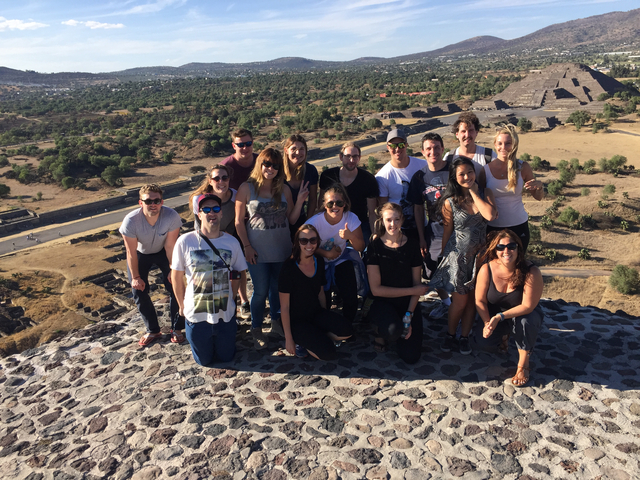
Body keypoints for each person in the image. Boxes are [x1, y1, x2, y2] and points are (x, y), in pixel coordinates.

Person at [235, 148, 305, 350]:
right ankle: (256, 327)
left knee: (277, 289)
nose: (271, 168)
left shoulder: (283, 189)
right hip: (256, 250)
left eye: (275, 165)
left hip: (281, 249)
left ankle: (276, 323)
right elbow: (239, 222)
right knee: (260, 291)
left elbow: (291, 219)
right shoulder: (246, 188)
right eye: (267, 164)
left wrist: (300, 201)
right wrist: (246, 246)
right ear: (260, 165)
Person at [430, 157, 497, 355]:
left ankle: (464, 337)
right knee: (459, 302)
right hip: (458, 258)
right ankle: (450, 334)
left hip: (480, 258)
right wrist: (444, 258)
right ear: (454, 177)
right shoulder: (449, 202)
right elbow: (447, 233)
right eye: (461, 174)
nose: (466, 176)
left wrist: (474, 193)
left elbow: (490, 216)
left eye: (470, 172)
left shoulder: (486, 194)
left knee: (472, 302)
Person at [171, 194, 248, 366]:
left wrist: (237, 300)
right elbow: (176, 276)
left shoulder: (232, 242)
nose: (211, 213)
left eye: (216, 209)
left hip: (224, 316)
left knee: (227, 357)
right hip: (197, 317)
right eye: (206, 209)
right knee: (204, 361)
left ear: (221, 214)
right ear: (199, 214)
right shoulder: (185, 241)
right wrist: (181, 306)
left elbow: (239, 273)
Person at [475, 229, 544, 387]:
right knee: (483, 342)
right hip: (496, 315)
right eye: (500, 247)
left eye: (511, 246)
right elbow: (480, 300)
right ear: (495, 249)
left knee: (525, 323)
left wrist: (500, 317)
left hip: (524, 314)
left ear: (518, 248)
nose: (506, 251)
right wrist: (487, 323)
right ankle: (505, 335)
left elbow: (527, 306)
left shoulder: (531, 272)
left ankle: (523, 364)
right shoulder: (487, 269)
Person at [119, 184, 184, 346]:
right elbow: (131, 252)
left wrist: (172, 269)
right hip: (141, 253)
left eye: (157, 200)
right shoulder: (131, 221)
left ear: (162, 202)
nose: (153, 204)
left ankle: (177, 328)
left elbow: (170, 246)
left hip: (163, 251)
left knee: (175, 285)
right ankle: (153, 330)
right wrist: (135, 277)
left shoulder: (171, 216)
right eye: (148, 201)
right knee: (138, 289)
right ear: (140, 203)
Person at [279, 224, 353, 360]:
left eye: (313, 240)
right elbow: (284, 307)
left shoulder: (318, 260)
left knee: (347, 330)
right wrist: (288, 338)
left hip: (315, 313)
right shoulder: (288, 267)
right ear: (297, 243)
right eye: (304, 241)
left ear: (317, 242)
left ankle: (316, 337)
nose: (309, 244)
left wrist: (325, 317)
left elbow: (320, 291)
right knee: (327, 354)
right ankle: (300, 343)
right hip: (297, 320)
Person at [366, 203, 429, 363]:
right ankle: (379, 333)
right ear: (382, 221)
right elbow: (376, 290)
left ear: (402, 220)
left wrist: (409, 315)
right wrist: (412, 291)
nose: (392, 224)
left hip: (407, 305)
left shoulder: (413, 245)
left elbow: (417, 284)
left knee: (411, 356)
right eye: (388, 220)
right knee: (393, 331)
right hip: (383, 303)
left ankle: (401, 328)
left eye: (396, 219)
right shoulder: (375, 246)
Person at [190, 164, 251, 315]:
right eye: (216, 178)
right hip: (205, 238)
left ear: (229, 179)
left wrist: (224, 238)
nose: (221, 181)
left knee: (238, 269)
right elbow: (199, 225)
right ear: (210, 181)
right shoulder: (199, 199)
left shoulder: (236, 196)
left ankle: (241, 300)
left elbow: (236, 220)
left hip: (229, 235)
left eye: (224, 178)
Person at [406, 132, 452, 320]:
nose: (433, 151)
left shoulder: (454, 171)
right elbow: (418, 209)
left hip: (457, 230)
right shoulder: (419, 177)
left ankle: (462, 306)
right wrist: (422, 237)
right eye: (428, 149)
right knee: (433, 270)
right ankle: (448, 304)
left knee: (461, 271)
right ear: (423, 152)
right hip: (433, 230)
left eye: (436, 147)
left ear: (442, 149)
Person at [479, 124, 544, 252]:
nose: (503, 147)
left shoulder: (523, 167)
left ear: (514, 145)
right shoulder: (485, 171)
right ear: (495, 145)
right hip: (494, 228)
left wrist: (539, 187)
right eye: (500, 144)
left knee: (518, 266)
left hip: (519, 225)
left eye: (508, 143)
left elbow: (538, 197)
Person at [307, 183, 365, 323]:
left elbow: (361, 247)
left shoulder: (351, 218)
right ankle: (326, 324)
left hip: (341, 258)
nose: (335, 206)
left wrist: (350, 237)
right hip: (318, 260)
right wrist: (325, 254)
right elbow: (302, 246)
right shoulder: (314, 223)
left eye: (339, 202)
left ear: (344, 204)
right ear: (324, 204)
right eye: (330, 203)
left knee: (350, 293)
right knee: (323, 299)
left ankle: (347, 324)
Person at [319, 142, 379, 245]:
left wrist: (375, 233)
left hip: (359, 225)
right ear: (341, 157)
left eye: (355, 156)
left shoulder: (368, 179)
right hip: (332, 223)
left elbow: (372, 212)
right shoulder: (328, 176)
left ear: (359, 158)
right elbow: (320, 203)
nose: (351, 160)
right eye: (348, 156)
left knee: (366, 250)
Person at [376, 129, 427, 239]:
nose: (397, 149)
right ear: (388, 147)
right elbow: (383, 209)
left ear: (406, 145)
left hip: (423, 227)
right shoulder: (382, 176)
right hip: (397, 232)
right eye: (393, 146)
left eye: (401, 145)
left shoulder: (423, 166)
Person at [282, 134, 318, 237]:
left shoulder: (310, 171)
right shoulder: (277, 171)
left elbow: (313, 200)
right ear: (286, 150)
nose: (298, 152)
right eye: (293, 149)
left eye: (302, 149)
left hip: (301, 221)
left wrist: (308, 223)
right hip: (279, 223)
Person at [444, 112, 496, 176]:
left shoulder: (489, 156)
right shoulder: (449, 158)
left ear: (476, 132)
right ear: (457, 134)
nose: (467, 135)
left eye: (470, 130)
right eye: (463, 131)